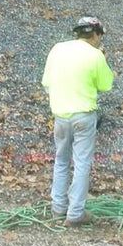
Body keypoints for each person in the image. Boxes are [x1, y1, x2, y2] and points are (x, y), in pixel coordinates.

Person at [41, 16, 114, 227]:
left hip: (61, 115)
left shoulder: (57, 49)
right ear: (95, 34)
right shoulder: (96, 55)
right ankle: (75, 214)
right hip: (84, 115)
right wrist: (106, 64)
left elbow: (47, 83)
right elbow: (106, 85)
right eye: (100, 36)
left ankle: (58, 207)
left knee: (61, 160)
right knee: (81, 163)